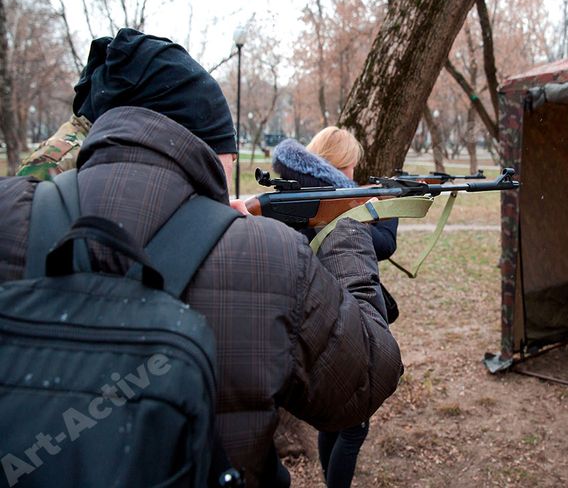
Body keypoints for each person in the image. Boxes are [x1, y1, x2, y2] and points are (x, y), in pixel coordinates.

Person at [0, 28, 403, 487]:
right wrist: (347, 232)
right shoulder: (270, 258)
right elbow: (366, 380)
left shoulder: (9, 212)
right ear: (210, 149)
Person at [272, 126, 399, 488]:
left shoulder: (304, 197)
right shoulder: (323, 204)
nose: (354, 176)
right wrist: (390, 206)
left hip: (318, 321)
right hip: (342, 323)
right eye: (351, 169)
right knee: (353, 427)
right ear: (340, 166)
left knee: (336, 420)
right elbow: (383, 244)